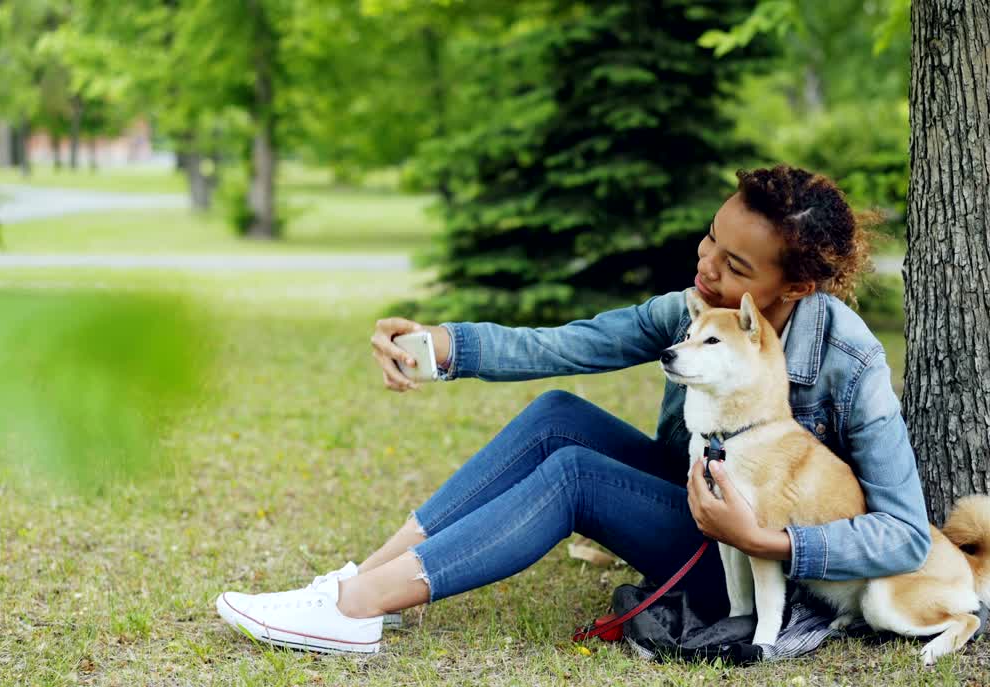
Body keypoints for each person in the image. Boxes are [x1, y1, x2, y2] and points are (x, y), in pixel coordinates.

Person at [214, 165, 932, 655]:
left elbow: (903, 536)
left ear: (796, 287)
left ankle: (356, 609)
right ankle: (357, 585)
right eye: (712, 237)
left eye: (735, 266)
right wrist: (440, 346)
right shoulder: (695, 309)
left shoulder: (849, 360)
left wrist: (771, 541)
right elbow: (567, 343)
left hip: (761, 565)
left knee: (576, 476)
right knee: (559, 414)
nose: (707, 264)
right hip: (694, 505)